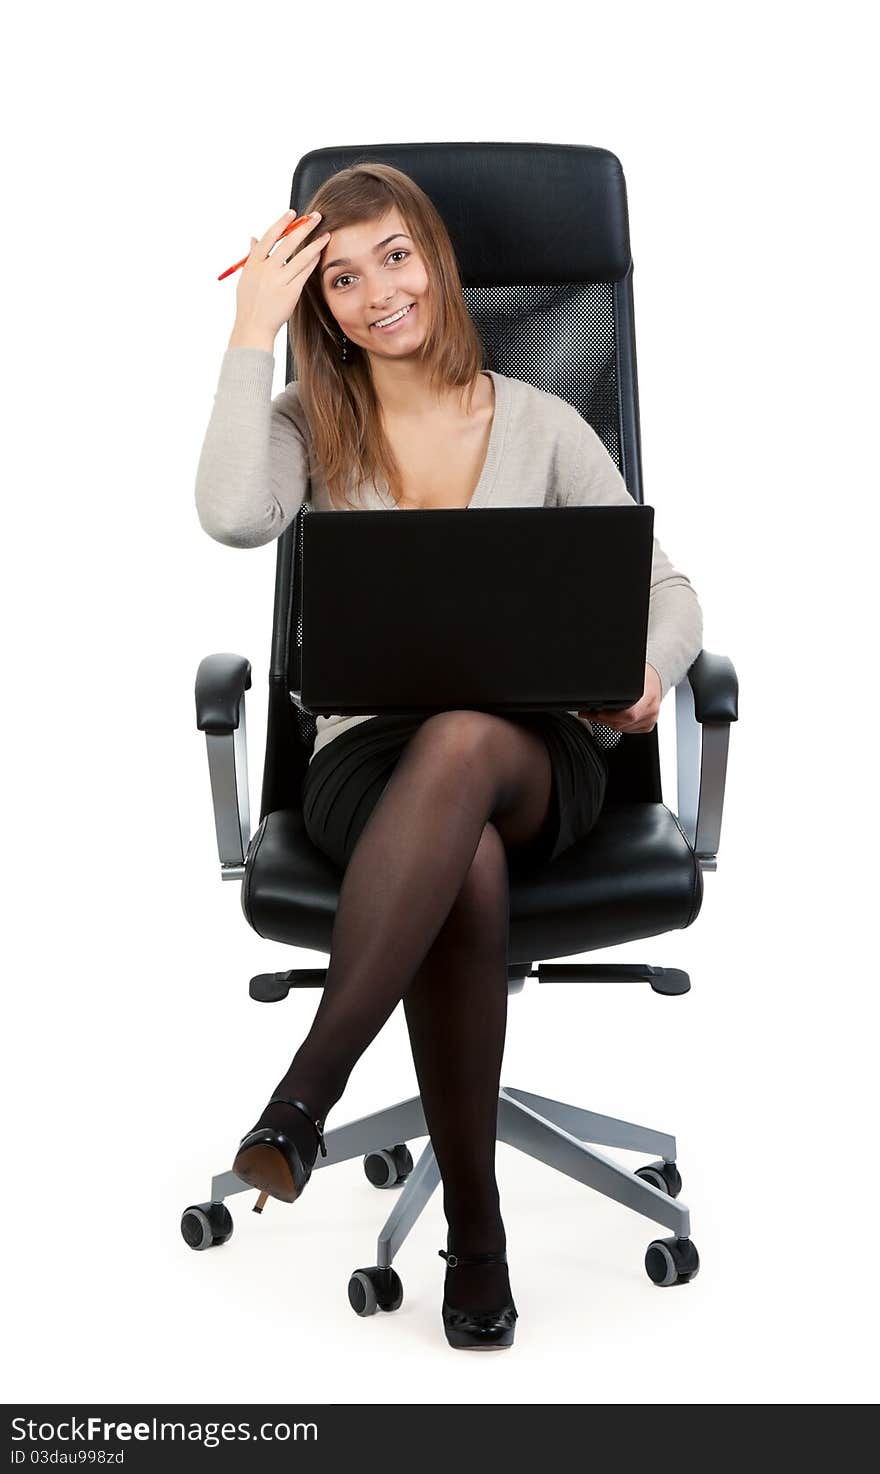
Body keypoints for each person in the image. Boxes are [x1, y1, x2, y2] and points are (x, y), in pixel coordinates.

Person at [194, 163, 704, 1350]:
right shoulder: (302, 425)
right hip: (367, 767)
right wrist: (244, 337)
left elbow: (668, 591)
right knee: (456, 852)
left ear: (438, 260)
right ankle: (477, 1239)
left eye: (395, 257)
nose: (376, 291)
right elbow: (229, 514)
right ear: (315, 304)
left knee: (473, 742)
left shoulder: (542, 420)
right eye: (339, 276)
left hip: (538, 759)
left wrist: (652, 668)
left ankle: (302, 1094)